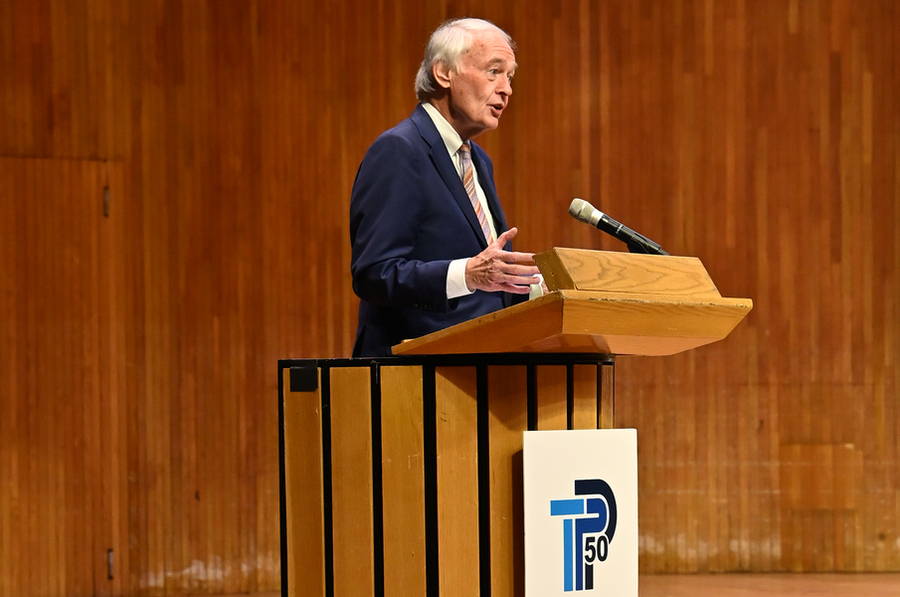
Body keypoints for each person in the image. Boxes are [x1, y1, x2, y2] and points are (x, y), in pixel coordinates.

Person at [349, 18, 540, 357]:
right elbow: (374, 274)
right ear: (443, 73)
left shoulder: (478, 160)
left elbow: (491, 283)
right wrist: (467, 273)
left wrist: (545, 288)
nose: (506, 89)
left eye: (510, 77)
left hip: (479, 370)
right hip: (410, 377)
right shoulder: (400, 150)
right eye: (494, 71)